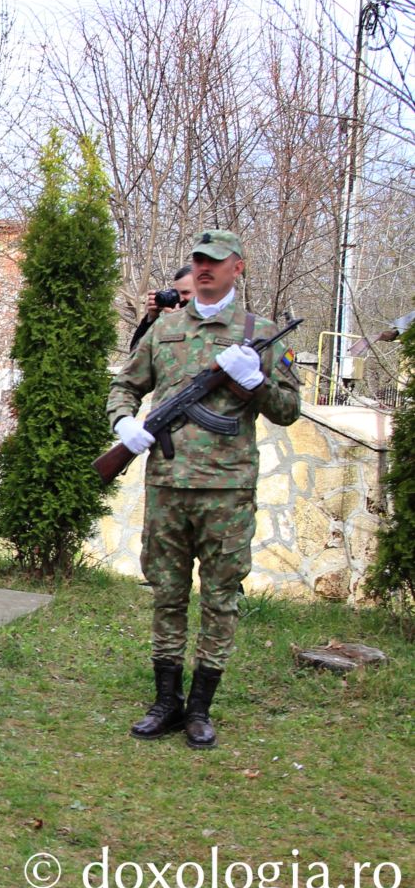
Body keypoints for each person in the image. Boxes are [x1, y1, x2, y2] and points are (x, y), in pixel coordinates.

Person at [109, 229, 300, 749]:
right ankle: (165, 702)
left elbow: (288, 411)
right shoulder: (165, 328)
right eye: (198, 261)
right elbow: (125, 384)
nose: (205, 269)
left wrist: (255, 383)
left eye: (216, 261)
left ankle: (199, 708)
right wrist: (123, 422)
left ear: (238, 267)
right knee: (167, 595)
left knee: (220, 599)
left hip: (227, 491)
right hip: (168, 487)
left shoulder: (262, 334)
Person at [128, 265, 195, 351]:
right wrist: (151, 320)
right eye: (176, 293)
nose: (180, 299)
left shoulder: (210, 324)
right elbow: (137, 355)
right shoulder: (164, 324)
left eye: (185, 293)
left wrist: (177, 324)